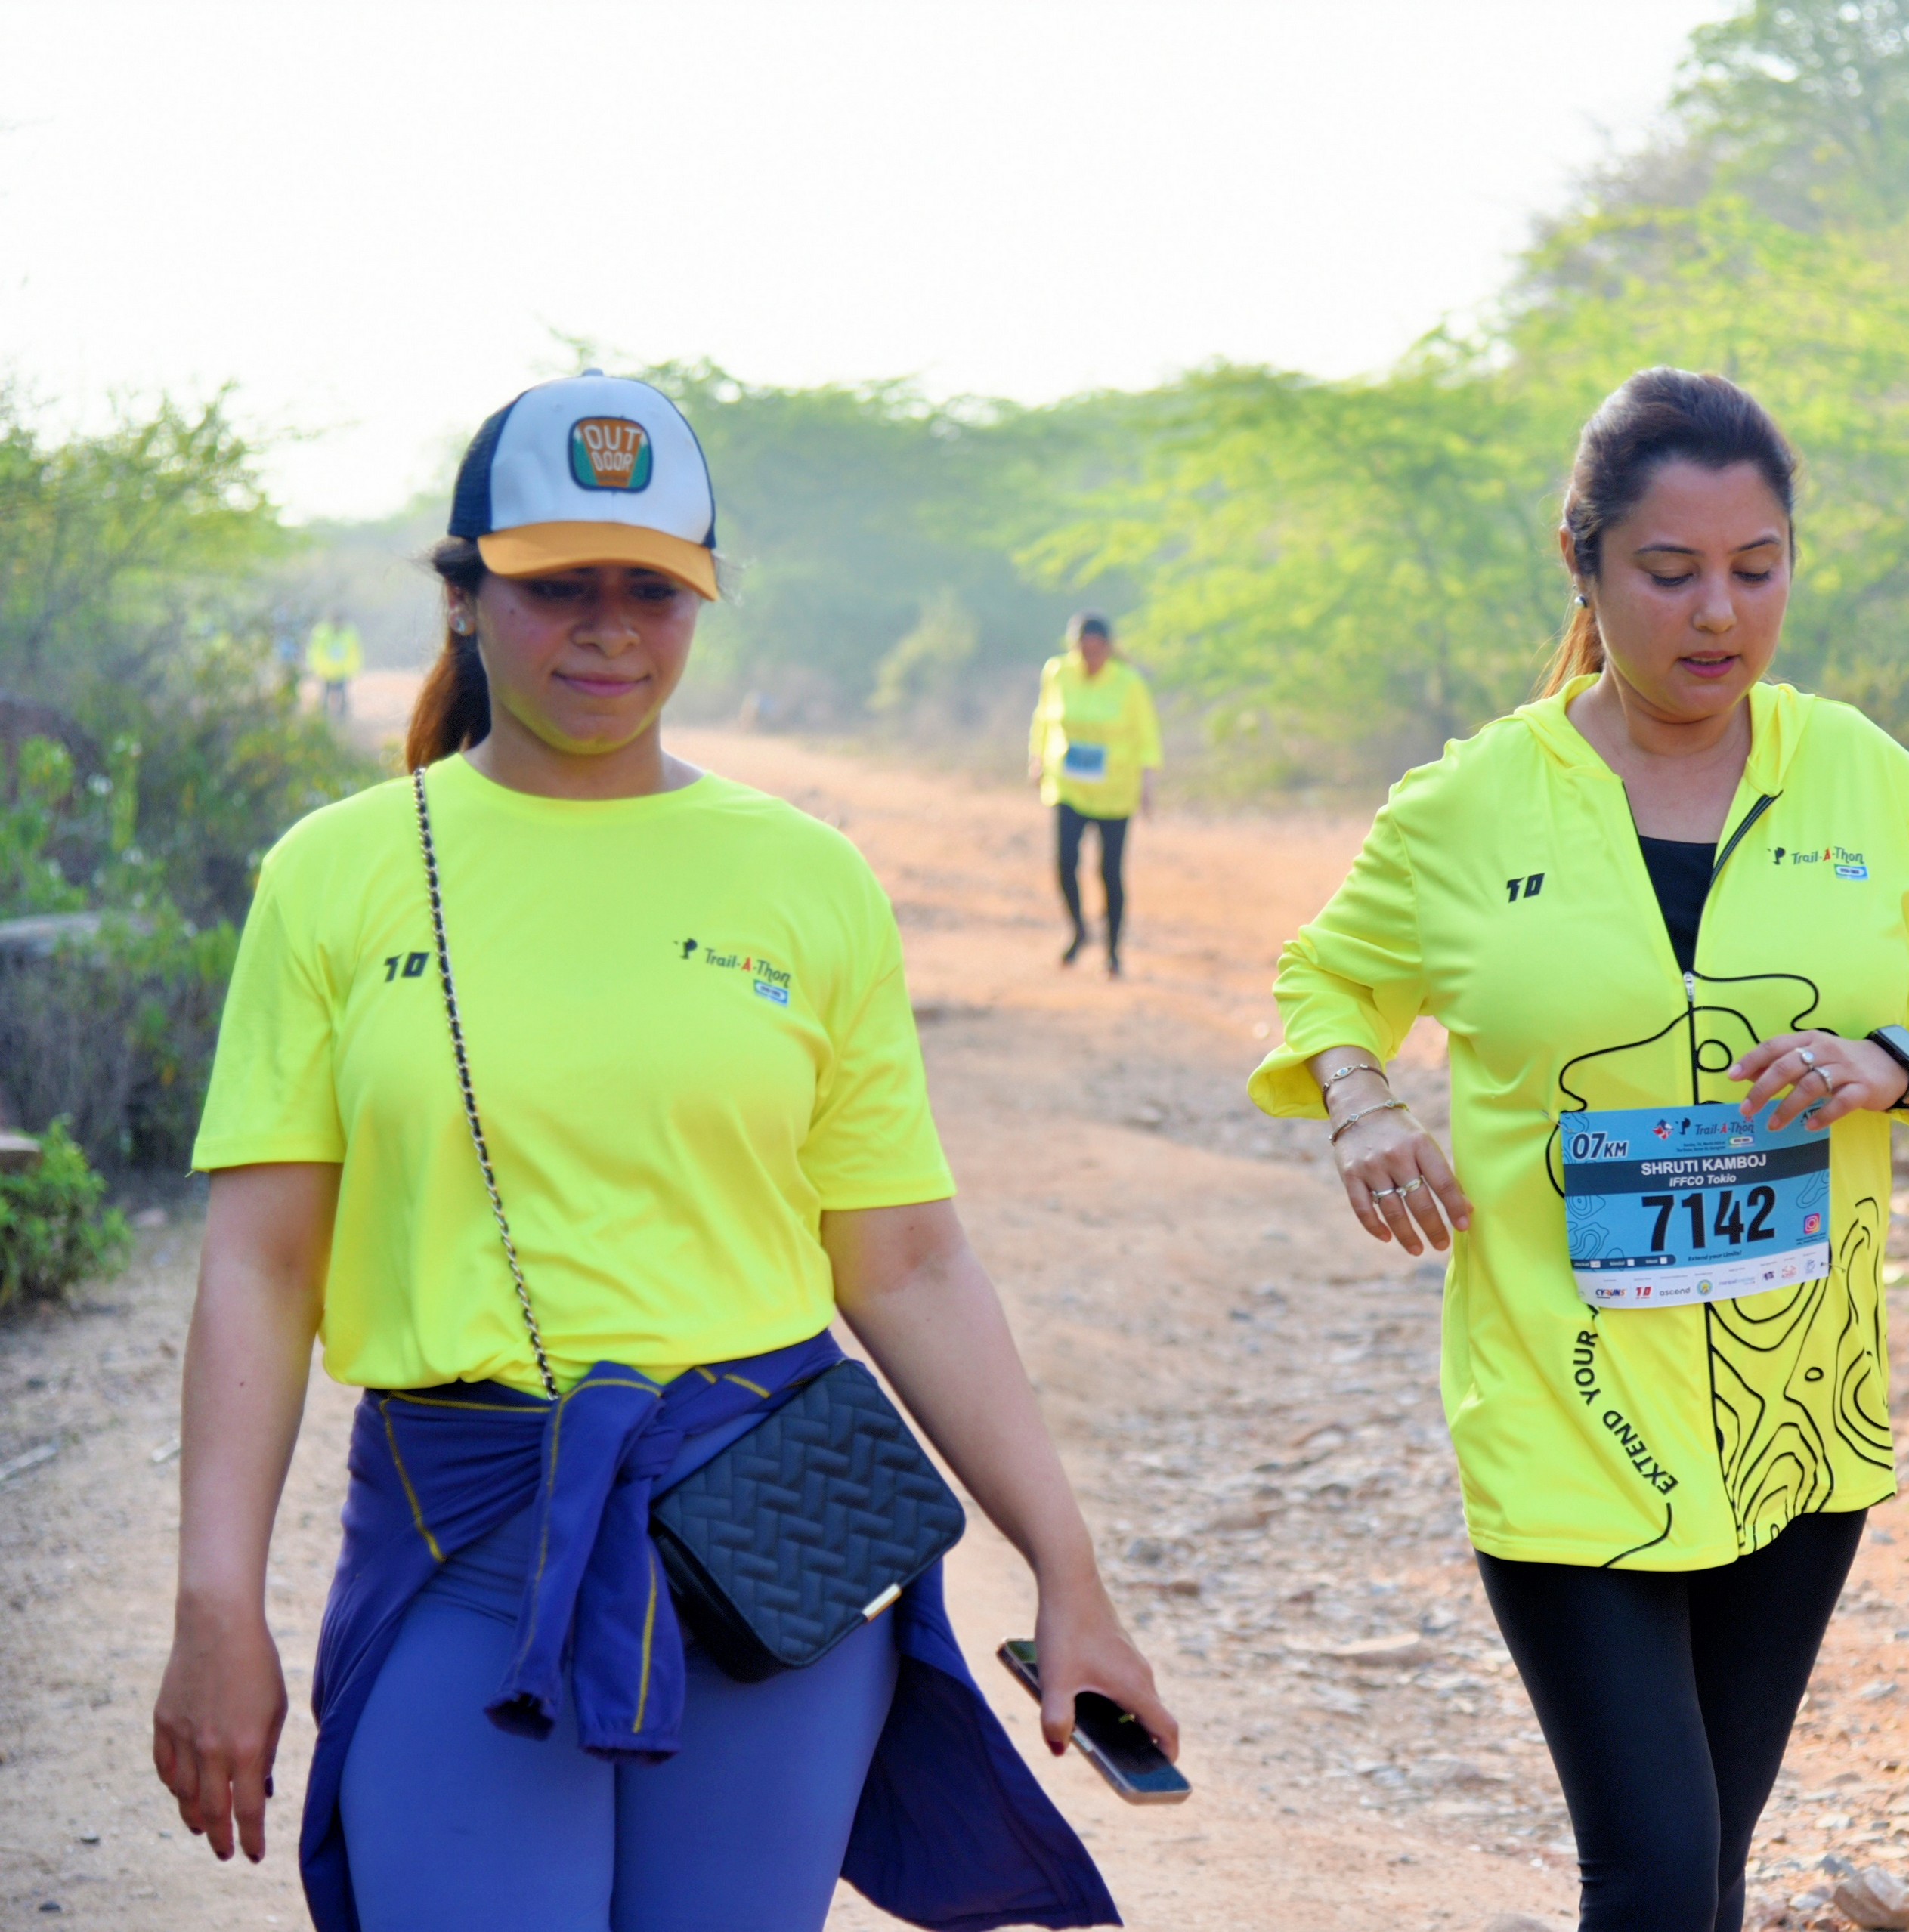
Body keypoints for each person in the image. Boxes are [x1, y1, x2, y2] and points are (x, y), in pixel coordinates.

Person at [151, 372, 1172, 1932]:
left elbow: (905, 1262)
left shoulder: (807, 879)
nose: (609, 631)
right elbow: (262, 1262)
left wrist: (1068, 1567)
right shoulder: (336, 877)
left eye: (653, 591)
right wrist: (216, 1600)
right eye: (558, 586)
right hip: (464, 1539)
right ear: (464, 597)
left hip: (765, 1545)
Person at [1250, 368, 1909, 1932]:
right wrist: (1362, 1101)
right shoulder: (1470, 805)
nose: (1718, 612)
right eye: (1669, 571)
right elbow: (1326, 979)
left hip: (1797, 1412)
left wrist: (1886, 1067)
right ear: (1584, 563)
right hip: (1563, 1402)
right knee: (1658, 1869)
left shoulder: (1869, 782)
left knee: (1712, 1863)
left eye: (1757, 567)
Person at [1026, 613, 1160, 976]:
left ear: (1109, 648)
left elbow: (1146, 734)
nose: (1090, 658)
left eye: (1097, 651)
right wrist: (1036, 758)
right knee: (1065, 862)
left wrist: (1148, 784)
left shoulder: (1129, 683)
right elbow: (1043, 718)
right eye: (1084, 651)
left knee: (1109, 872)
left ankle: (1113, 951)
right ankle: (1079, 930)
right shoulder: (1057, 672)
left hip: (1115, 792)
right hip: (1069, 786)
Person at [306, 615, 365, 721]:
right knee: (325, 696)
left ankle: (342, 719)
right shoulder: (322, 634)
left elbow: (355, 653)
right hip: (326, 672)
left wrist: (353, 669)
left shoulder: (349, 634)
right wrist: (317, 669)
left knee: (343, 696)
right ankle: (322, 719)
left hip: (342, 672)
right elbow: (315, 652)